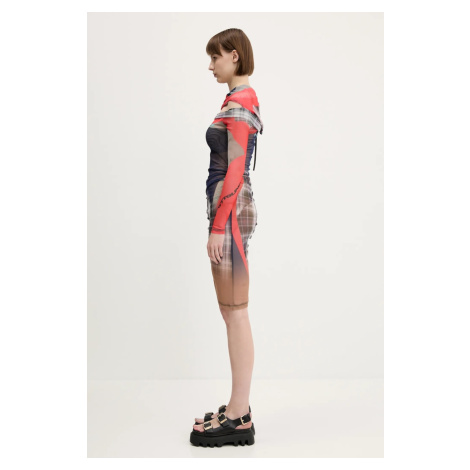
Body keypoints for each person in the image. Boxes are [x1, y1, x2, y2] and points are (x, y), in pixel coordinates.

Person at [189, 28, 264, 448]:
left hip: (230, 213)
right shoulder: (236, 99)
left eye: (215, 57)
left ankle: (238, 417)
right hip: (227, 209)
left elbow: (235, 170)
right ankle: (238, 407)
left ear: (234, 56)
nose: (210, 65)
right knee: (230, 311)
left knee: (236, 313)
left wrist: (219, 227)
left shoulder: (240, 102)